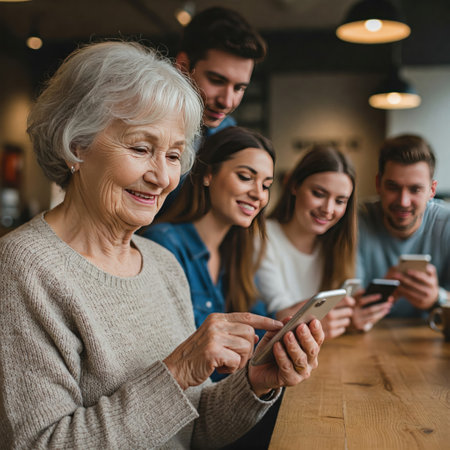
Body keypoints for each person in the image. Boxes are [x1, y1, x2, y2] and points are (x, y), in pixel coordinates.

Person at [0, 41, 324, 449]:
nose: (161, 177)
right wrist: (178, 370)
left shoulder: (163, 262)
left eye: (173, 155)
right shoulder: (24, 267)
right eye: (140, 148)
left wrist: (254, 383)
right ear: (76, 145)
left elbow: (193, 429)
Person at [142, 126, 275, 339]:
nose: (258, 194)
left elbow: (259, 330)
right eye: (245, 177)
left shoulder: (239, 251)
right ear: (208, 175)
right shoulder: (163, 243)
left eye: (266, 185)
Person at [255, 146, 378, 338]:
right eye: (319, 194)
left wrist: (352, 317)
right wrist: (316, 322)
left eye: (340, 201)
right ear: (294, 186)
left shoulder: (336, 245)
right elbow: (279, 315)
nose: (328, 209)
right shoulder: (262, 237)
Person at [356, 134, 450, 321]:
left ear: (432, 190)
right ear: (378, 184)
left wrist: (436, 298)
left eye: (415, 189)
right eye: (393, 187)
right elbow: (344, 297)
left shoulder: (447, 222)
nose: (403, 201)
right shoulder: (355, 221)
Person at [176, 6, 266, 138]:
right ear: (183, 66)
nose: (227, 102)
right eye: (217, 81)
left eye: (239, 88)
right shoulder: (140, 119)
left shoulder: (228, 134)